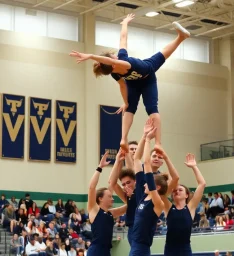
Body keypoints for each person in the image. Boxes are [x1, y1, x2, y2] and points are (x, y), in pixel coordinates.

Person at [70, 16, 190, 153]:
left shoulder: (115, 74)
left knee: (129, 109)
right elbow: (123, 39)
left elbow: (122, 86)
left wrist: (125, 102)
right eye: (112, 57)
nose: (115, 56)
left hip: (133, 84)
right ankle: (158, 143)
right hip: (147, 75)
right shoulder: (124, 62)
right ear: (112, 61)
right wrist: (91, 56)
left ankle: (123, 139)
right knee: (152, 108)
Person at [123, 119, 167, 256]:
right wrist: (144, 136)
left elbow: (146, 163)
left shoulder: (156, 200)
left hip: (141, 245)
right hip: (136, 241)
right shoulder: (142, 196)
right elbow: (137, 159)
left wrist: (149, 140)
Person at [78, 151, 127, 256]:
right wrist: (100, 167)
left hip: (107, 253)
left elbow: (128, 206)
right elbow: (92, 188)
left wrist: (118, 161)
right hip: (95, 251)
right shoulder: (94, 210)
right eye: (110, 197)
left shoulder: (111, 213)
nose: (112, 199)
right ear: (100, 199)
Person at [161, 150, 206, 256]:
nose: (176, 192)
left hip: (185, 249)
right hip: (170, 250)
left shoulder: (191, 207)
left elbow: (202, 184)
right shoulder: (168, 207)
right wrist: (168, 172)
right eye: (174, 191)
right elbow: (162, 193)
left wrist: (194, 166)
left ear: (187, 195)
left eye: (180, 190)